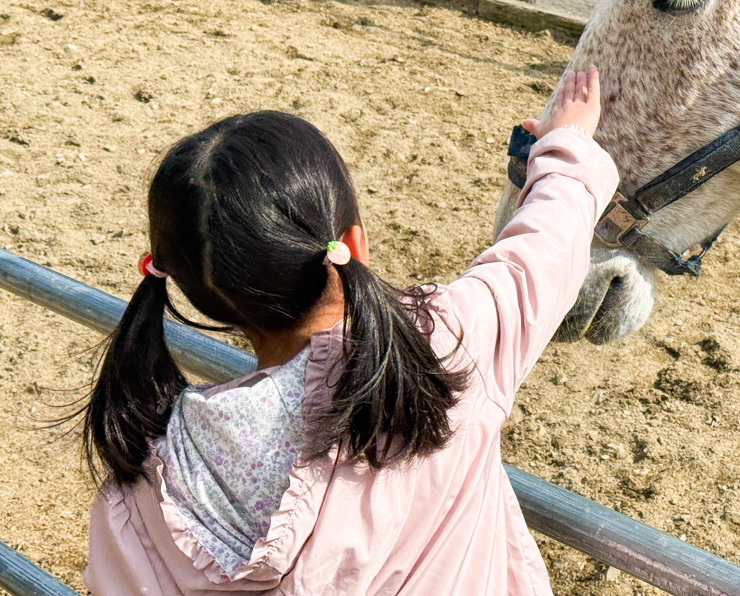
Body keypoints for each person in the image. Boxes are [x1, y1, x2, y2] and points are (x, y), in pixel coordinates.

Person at [82, 66, 615, 595]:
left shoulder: (141, 494)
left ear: (182, 284)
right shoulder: (447, 347)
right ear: (353, 244)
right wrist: (567, 146)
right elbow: (541, 252)